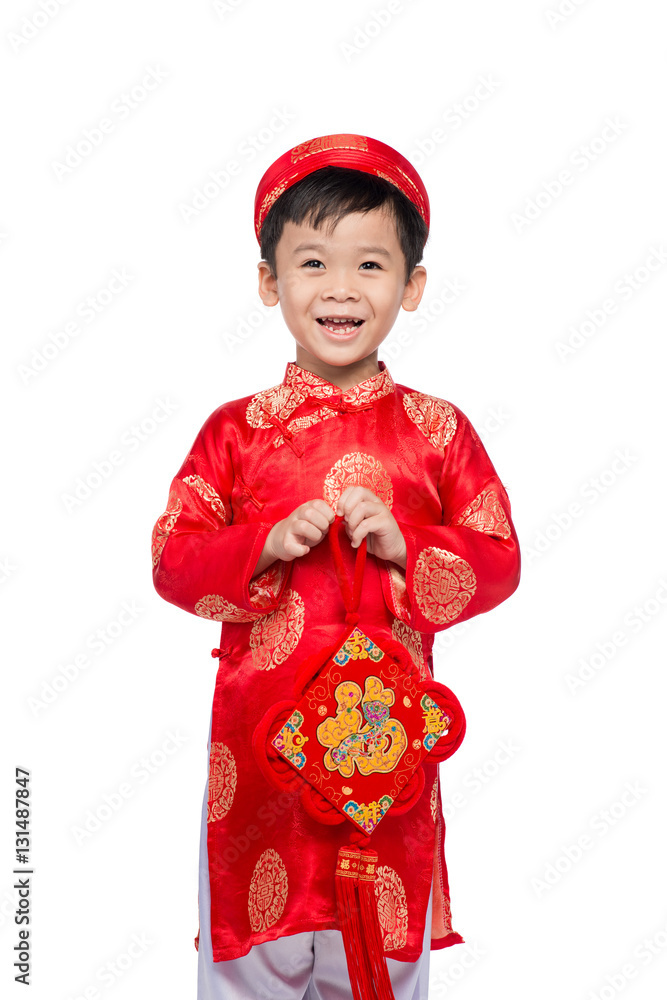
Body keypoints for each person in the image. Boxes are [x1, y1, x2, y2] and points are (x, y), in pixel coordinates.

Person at [151, 133, 521, 1000]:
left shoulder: (437, 432)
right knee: (251, 968)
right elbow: (172, 558)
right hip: (258, 768)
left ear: (411, 287)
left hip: (386, 763)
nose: (341, 289)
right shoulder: (234, 433)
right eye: (313, 262)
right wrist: (261, 546)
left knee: (382, 967)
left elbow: (498, 556)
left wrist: (410, 548)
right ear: (269, 282)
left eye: (370, 265)